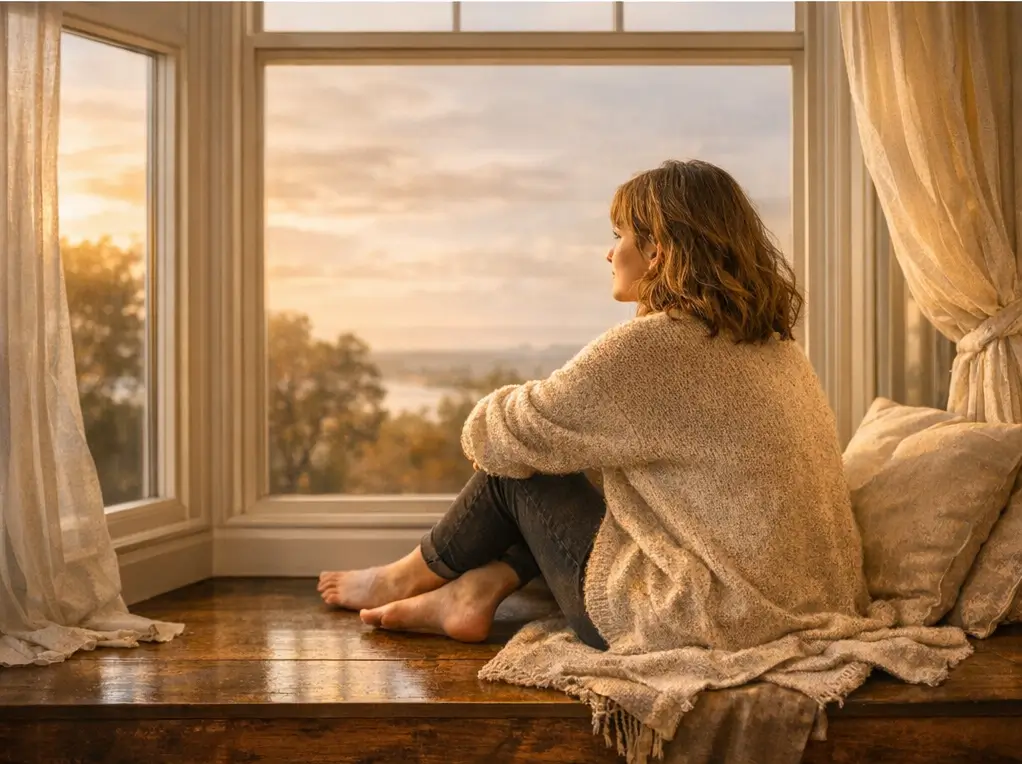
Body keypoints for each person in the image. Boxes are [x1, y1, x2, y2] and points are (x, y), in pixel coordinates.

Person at [317, 158, 806, 646]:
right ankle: (474, 592)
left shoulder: (654, 347)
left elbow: (493, 437)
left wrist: (526, 410)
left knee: (520, 469)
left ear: (655, 249)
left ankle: (401, 578)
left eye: (619, 236)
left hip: (688, 621)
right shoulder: (779, 350)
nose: (609, 254)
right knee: (586, 461)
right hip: (786, 604)